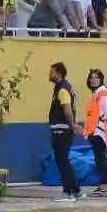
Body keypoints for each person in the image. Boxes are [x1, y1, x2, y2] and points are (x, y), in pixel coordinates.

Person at [46, 62, 81, 201]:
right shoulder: (63, 88)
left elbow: (67, 109)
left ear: (58, 73)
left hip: (62, 131)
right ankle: (76, 189)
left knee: (63, 162)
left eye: (52, 72)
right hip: (61, 130)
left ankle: (68, 192)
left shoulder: (62, 89)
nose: (50, 74)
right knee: (63, 161)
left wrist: (73, 124)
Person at [82, 68, 107, 197]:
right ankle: (104, 186)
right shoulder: (98, 93)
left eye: (96, 77)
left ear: (101, 79)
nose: (93, 80)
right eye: (91, 77)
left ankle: (106, 187)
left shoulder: (102, 94)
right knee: (100, 159)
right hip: (95, 131)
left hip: (99, 132)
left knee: (100, 159)